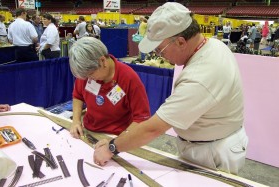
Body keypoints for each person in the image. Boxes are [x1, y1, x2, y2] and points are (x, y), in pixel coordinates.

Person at [93, 2, 248, 175]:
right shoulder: (212, 45)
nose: (160, 56)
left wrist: (111, 148)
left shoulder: (200, 77)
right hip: (208, 144)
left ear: (181, 42)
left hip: (213, 153)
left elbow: (153, 129)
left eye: (160, 50)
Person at [68, 37, 151, 137]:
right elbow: (78, 96)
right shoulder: (87, 72)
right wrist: (76, 120)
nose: (88, 78)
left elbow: (142, 117)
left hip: (117, 136)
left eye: (91, 74)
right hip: (89, 131)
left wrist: (118, 142)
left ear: (103, 61)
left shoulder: (129, 78)